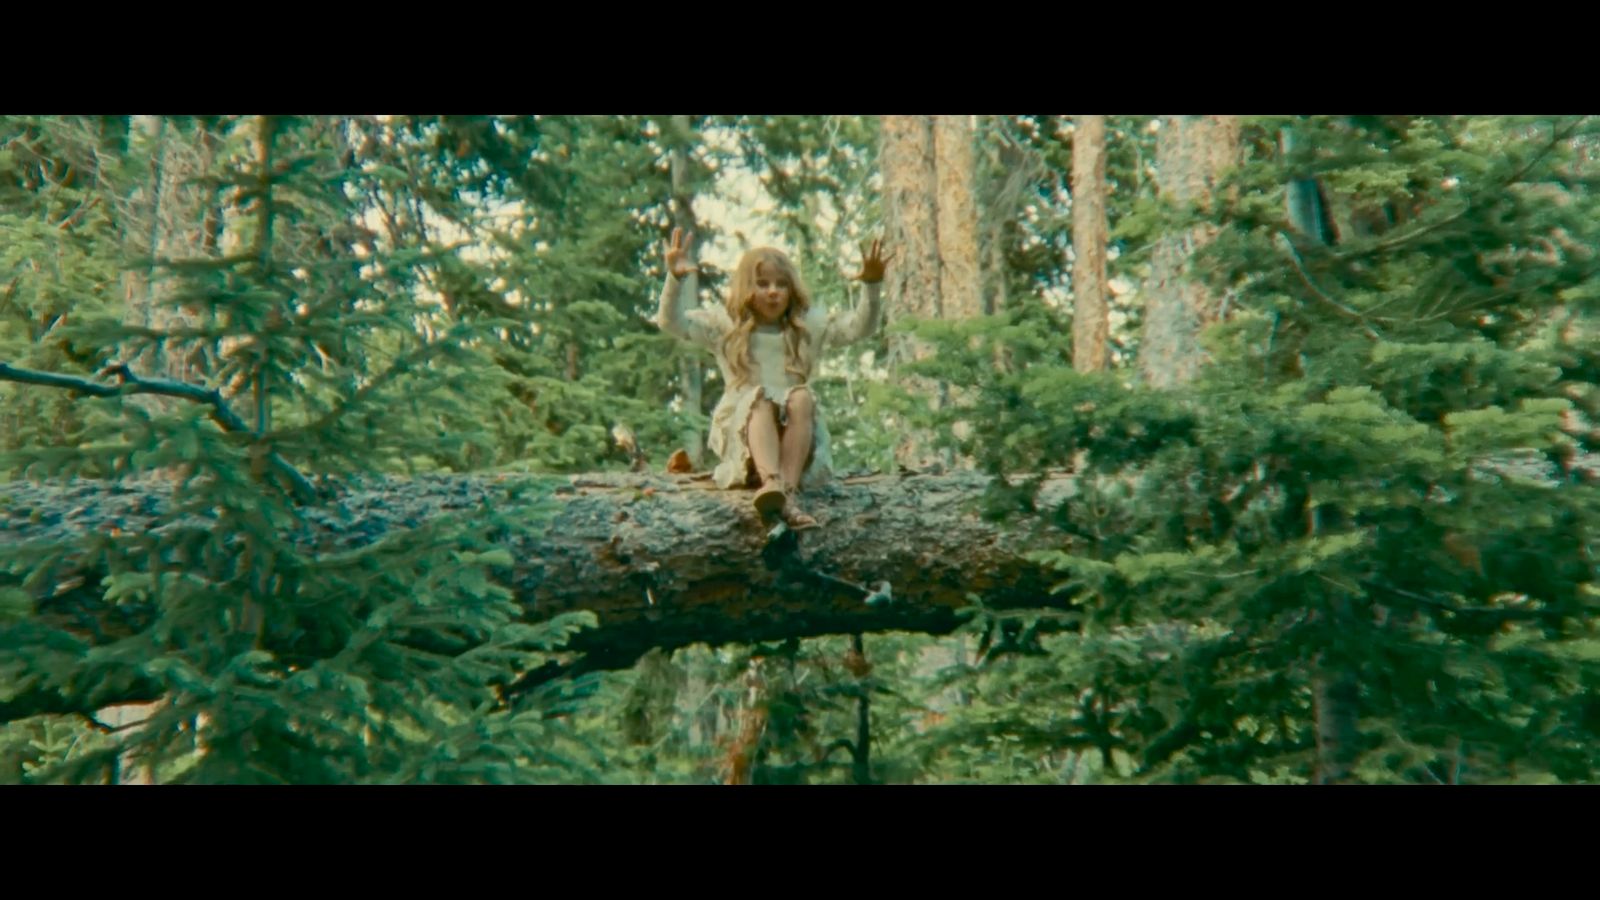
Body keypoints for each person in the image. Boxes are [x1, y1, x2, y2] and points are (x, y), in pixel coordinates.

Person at [657, 228, 890, 529]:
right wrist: (674, 280)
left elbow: (860, 328)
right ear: (745, 288)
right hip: (746, 436)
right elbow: (670, 322)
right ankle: (770, 483)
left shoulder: (806, 328)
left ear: (792, 290)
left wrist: (871, 285)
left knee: (802, 396)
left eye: (781, 284)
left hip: (795, 440)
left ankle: (787, 493)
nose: (772, 291)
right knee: (760, 399)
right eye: (763, 283)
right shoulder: (725, 325)